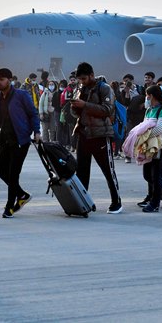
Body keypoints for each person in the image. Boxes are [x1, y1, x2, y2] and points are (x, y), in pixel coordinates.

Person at [70, 62, 122, 214]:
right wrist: (74, 107)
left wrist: (84, 105)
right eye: (80, 79)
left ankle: (116, 202)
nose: (82, 82)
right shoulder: (81, 88)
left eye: (84, 78)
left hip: (100, 135)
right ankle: (82, 202)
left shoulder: (104, 88)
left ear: (92, 75)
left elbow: (107, 110)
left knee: (108, 170)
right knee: (82, 171)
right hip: (83, 134)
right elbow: (77, 113)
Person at [0, 68, 41, 218]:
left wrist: (37, 131)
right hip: (4, 140)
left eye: (1, 79)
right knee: (2, 172)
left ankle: (9, 207)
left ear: (10, 80)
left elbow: (33, 113)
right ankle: (22, 195)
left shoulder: (21, 95)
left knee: (13, 175)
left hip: (20, 141)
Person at [137, 85, 162, 213]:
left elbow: (158, 129)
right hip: (149, 147)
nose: (146, 98)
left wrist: (143, 135)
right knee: (147, 175)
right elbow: (143, 125)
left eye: (147, 95)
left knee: (156, 176)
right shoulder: (149, 110)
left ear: (152, 96)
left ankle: (155, 203)